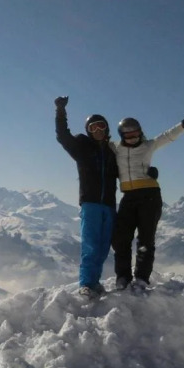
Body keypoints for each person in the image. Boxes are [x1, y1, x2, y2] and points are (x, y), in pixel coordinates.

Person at [111, 107, 184, 291]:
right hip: (128, 196)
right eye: (128, 135)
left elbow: (168, 136)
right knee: (120, 239)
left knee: (146, 239)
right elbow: (97, 142)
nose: (133, 137)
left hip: (149, 196)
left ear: (140, 132)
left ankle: (141, 279)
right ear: (121, 136)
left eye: (135, 133)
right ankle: (123, 277)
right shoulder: (115, 148)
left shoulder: (148, 146)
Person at [54, 96, 118, 299]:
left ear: (106, 128)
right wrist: (60, 110)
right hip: (90, 204)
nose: (97, 130)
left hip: (109, 205)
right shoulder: (81, 147)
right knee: (91, 245)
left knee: (103, 246)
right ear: (88, 130)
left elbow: (127, 168)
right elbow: (63, 136)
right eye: (93, 127)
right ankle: (86, 284)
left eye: (101, 126)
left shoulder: (112, 152)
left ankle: (95, 282)